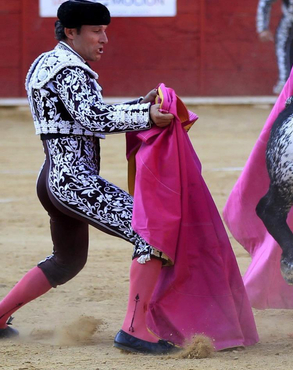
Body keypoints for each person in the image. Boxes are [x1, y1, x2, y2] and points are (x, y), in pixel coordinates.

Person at [0, 0, 178, 354]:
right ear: (71, 31)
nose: (104, 39)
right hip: (74, 181)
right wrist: (146, 115)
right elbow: (93, 118)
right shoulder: (69, 68)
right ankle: (134, 329)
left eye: (104, 30)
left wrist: (135, 107)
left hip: (52, 177)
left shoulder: (47, 63)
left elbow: (81, 117)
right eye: (96, 31)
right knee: (151, 230)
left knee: (67, 260)